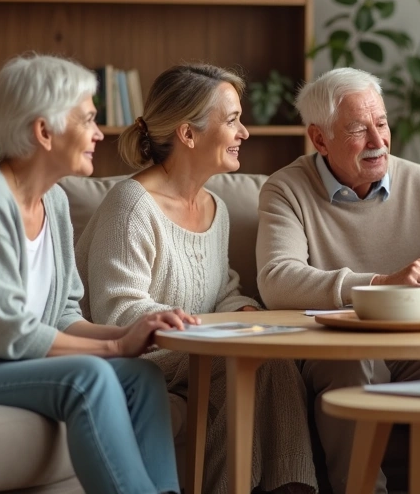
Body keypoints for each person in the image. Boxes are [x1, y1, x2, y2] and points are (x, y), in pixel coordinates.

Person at [0, 54, 194, 494]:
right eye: (87, 119)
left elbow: (63, 314)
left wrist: (134, 332)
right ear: (44, 131)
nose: (99, 133)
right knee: (89, 377)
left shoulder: (54, 201)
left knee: (142, 376)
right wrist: (114, 346)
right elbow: (7, 334)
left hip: (3, 360)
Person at [77, 64, 317, 494]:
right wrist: (208, 333)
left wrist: (245, 311)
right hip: (139, 360)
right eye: (232, 120)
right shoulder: (131, 206)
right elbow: (119, 311)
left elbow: (222, 291)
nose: (244, 132)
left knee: (273, 358)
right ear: (188, 134)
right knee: (244, 363)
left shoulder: (215, 208)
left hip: (195, 352)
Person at [256, 67, 420, 494]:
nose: (378, 141)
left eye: (381, 123)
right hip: (336, 346)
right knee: (352, 360)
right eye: (358, 130)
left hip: (415, 344)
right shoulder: (286, 189)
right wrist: (381, 283)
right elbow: (276, 279)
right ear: (320, 139)